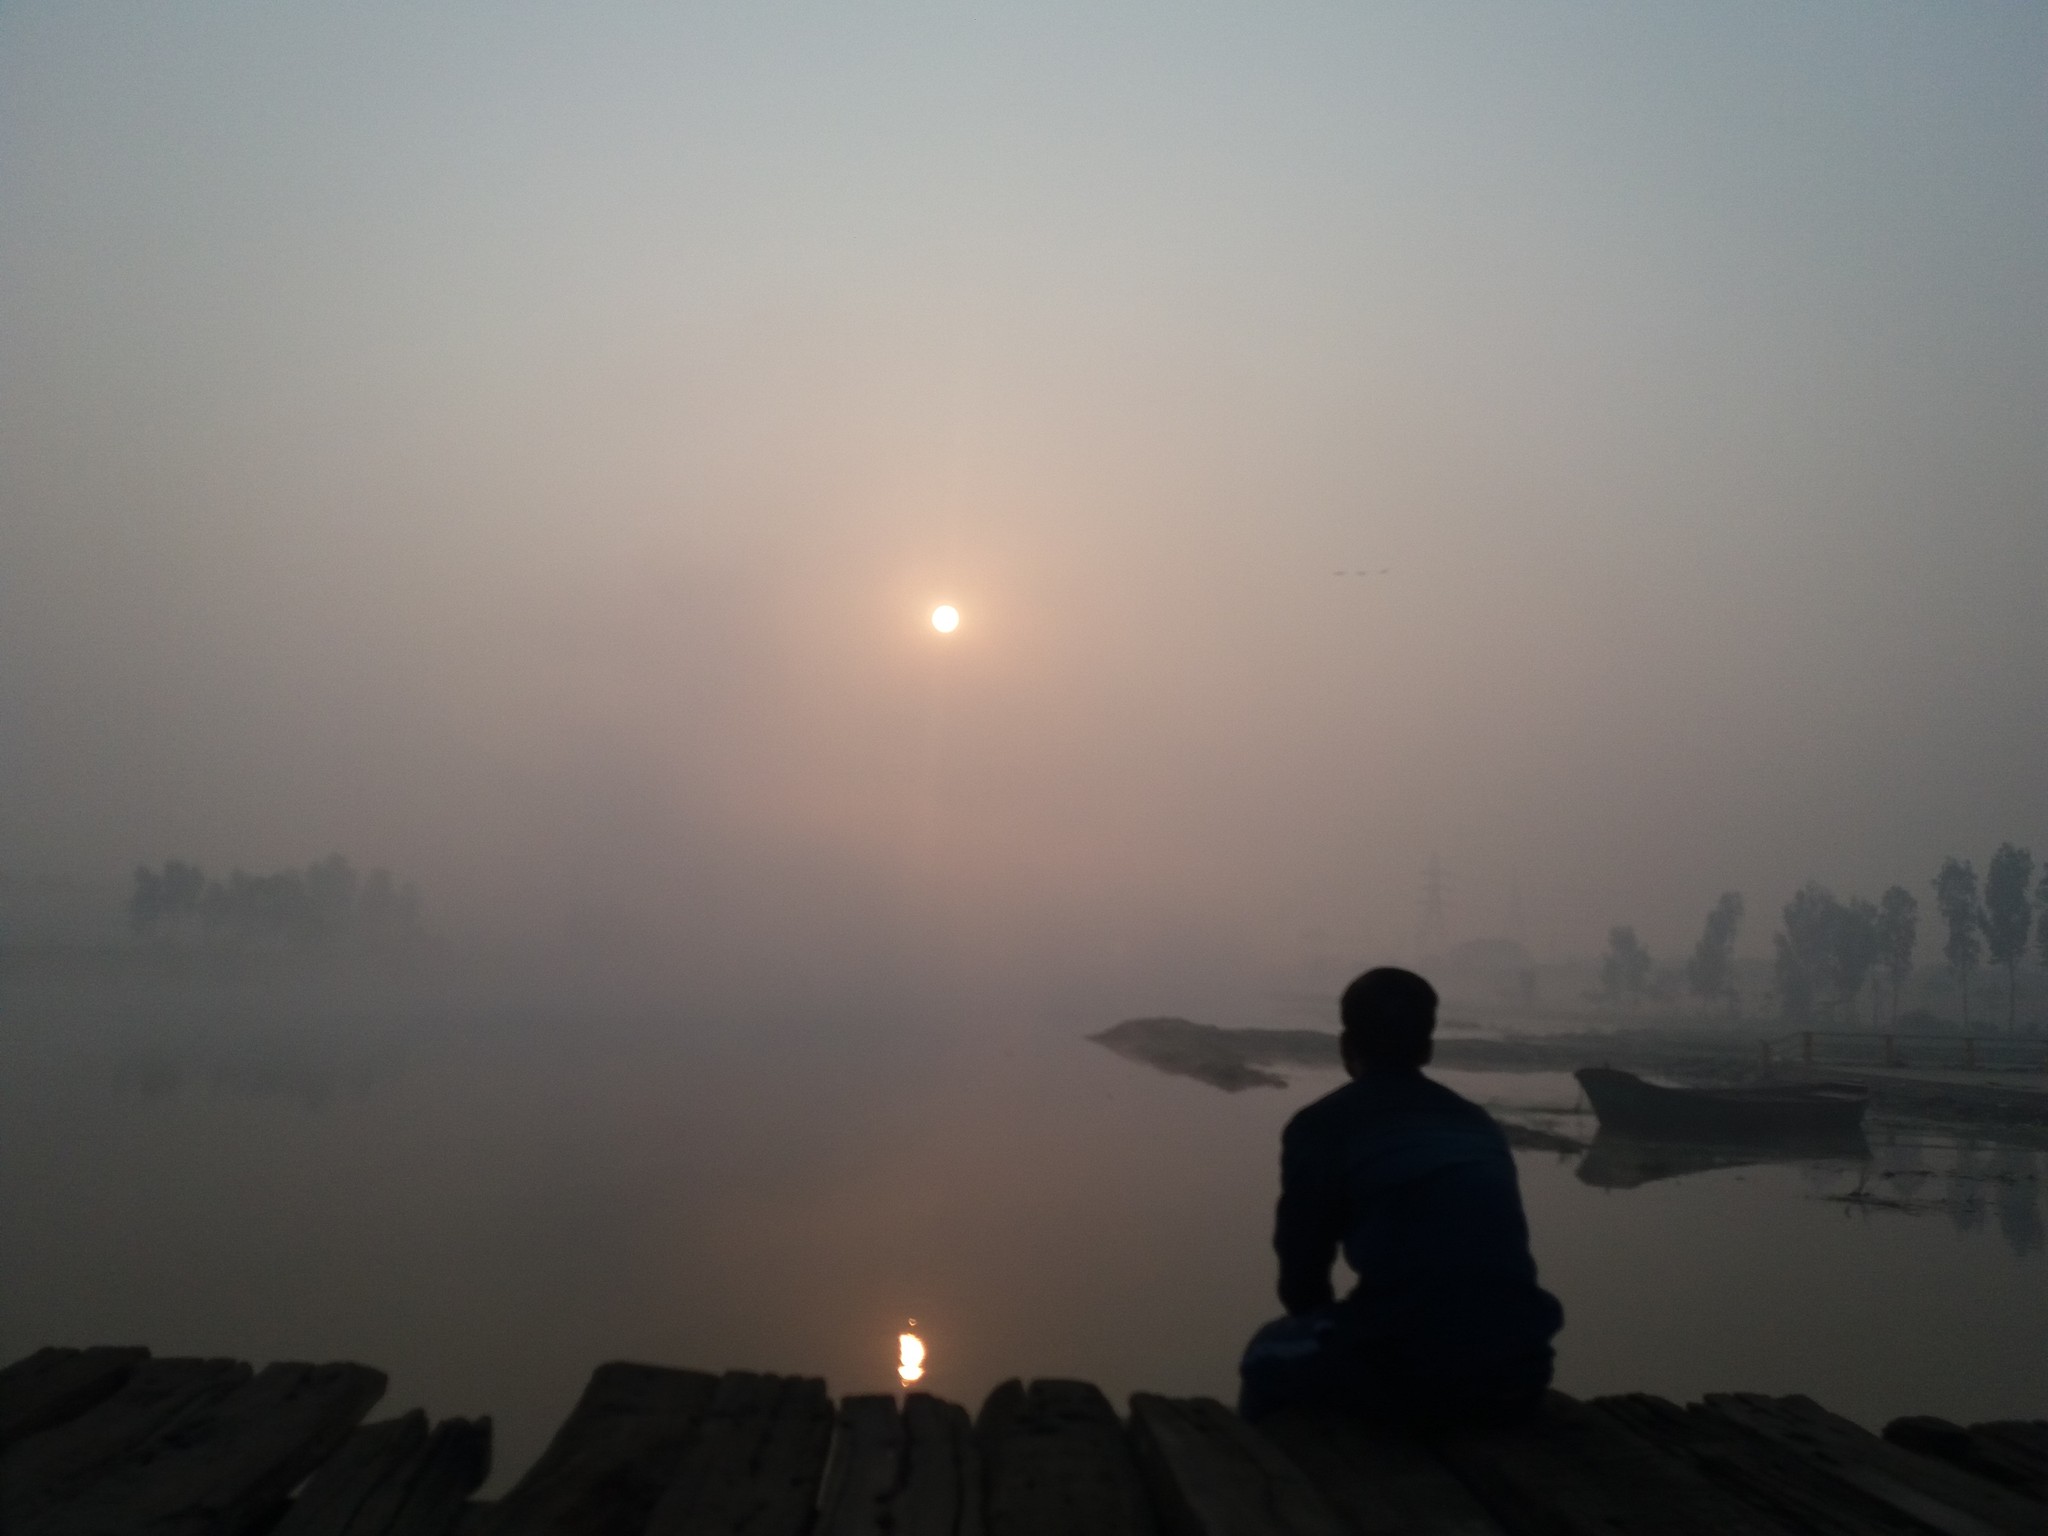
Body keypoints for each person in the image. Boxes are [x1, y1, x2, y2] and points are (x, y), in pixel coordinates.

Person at [1237, 967, 1563, 1425]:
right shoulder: (1475, 1123)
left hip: (1413, 1367)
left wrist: (1347, 1332)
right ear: (1427, 1048)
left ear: (1346, 1045)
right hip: (1521, 1367)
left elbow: (1301, 1277)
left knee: (1266, 1352)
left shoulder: (1323, 1124)